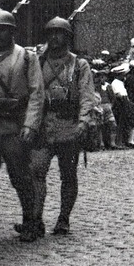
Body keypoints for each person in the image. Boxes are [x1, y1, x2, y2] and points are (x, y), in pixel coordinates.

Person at [28, 17, 98, 236]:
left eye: (59, 33)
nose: (54, 38)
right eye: (51, 33)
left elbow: (87, 96)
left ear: (68, 37)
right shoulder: (38, 62)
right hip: (43, 126)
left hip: (69, 126)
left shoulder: (79, 65)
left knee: (68, 175)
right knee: (36, 171)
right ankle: (35, 219)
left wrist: (83, 121)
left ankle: (63, 219)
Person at [0, 9, 44, 243]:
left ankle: (31, 220)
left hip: (14, 124)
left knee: (20, 176)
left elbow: (37, 93)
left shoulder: (26, 57)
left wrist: (30, 124)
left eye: (2, 29)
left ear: (12, 31)